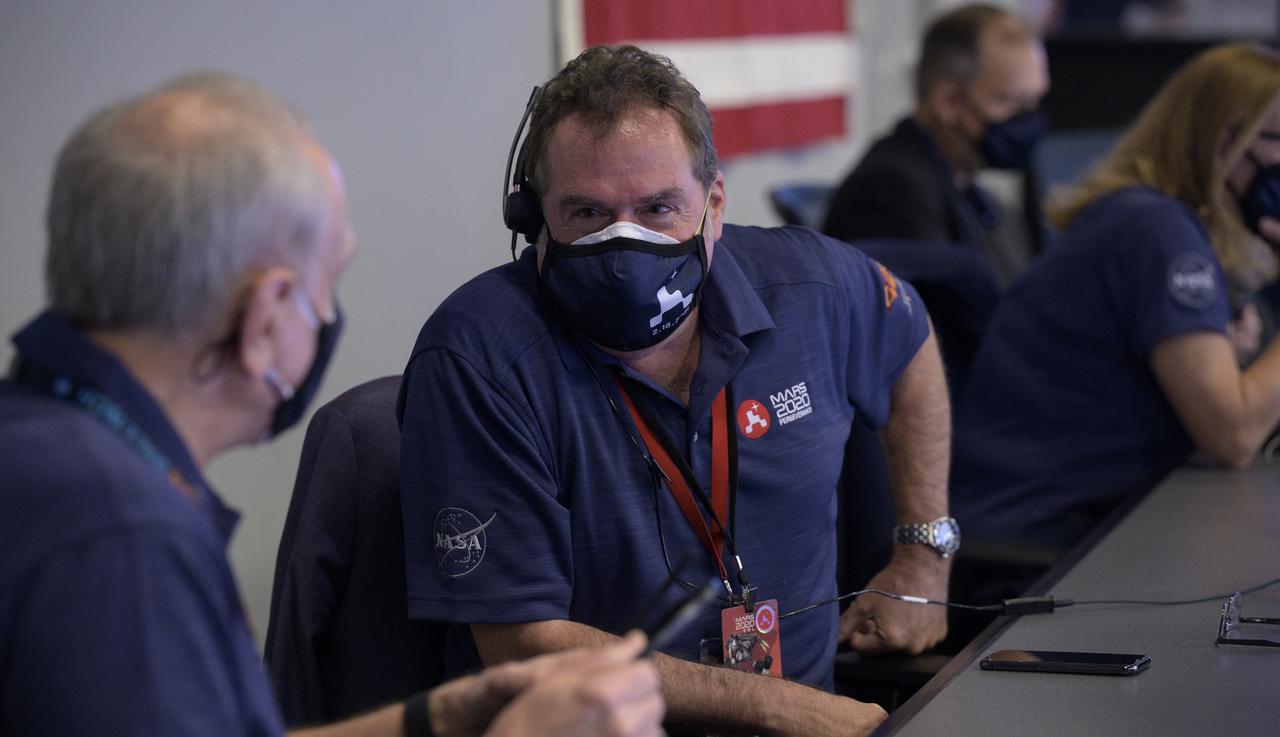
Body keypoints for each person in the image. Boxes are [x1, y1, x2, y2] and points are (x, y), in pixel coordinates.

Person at [0, 72, 664, 737]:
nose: (328, 315)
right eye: (328, 282)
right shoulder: (120, 543)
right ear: (264, 319)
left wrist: (433, 720)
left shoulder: (48, 450)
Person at [398, 45, 953, 736]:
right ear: (534, 220)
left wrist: (924, 554)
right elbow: (521, 643)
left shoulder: (809, 285)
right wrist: (785, 707)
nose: (624, 246)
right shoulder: (479, 355)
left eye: (658, 207)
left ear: (714, 205)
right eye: (587, 213)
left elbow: (910, 337)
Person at [951, 44, 1280, 561]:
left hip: (1076, 522)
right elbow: (1233, 435)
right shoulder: (1159, 232)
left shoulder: (1147, 217)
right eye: (1276, 138)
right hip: (1035, 548)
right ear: (1223, 142)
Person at [823, 4, 1051, 286]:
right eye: (1010, 102)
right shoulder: (891, 190)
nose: (1026, 119)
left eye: (1034, 102)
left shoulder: (974, 193)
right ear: (948, 101)